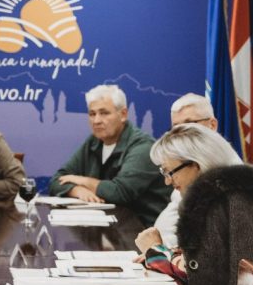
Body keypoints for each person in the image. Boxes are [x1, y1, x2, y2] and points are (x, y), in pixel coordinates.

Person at [142, 123, 253, 285]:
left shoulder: (238, 200)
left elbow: (247, 276)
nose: (168, 181)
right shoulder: (212, 201)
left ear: (196, 164)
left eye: (170, 172)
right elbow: (204, 266)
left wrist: (156, 252)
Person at [48, 84, 171, 226]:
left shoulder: (143, 146)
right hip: (106, 226)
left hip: (143, 229)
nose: (96, 121)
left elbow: (120, 193)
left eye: (104, 113)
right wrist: (76, 190)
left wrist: (82, 180)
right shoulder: (94, 141)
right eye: (92, 114)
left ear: (123, 114)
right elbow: (57, 180)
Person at [140, 93, 221, 250]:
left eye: (189, 124)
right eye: (176, 128)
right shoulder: (185, 168)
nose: (182, 134)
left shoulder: (223, 173)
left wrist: (157, 249)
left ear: (212, 125)